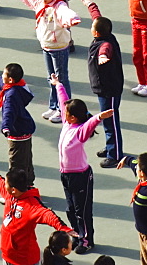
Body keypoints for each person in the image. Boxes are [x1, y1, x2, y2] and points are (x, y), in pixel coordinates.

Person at [52, 78, 111, 253]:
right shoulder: (67, 122)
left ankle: (87, 240)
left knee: (82, 212)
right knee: (71, 210)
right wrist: (58, 85)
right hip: (66, 175)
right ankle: (77, 235)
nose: (63, 112)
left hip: (81, 176)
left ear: (74, 117)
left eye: (66, 112)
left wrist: (99, 117)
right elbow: (64, 102)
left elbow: (89, 124)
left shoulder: (79, 132)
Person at [11, 0, 80, 124]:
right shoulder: (41, 2)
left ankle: (64, 109)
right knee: (52, 79)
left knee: (61, 80)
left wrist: (72, 19)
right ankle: (54, 105)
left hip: (58, 48)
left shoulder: (59, 6)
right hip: (46, 46)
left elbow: (66, 13)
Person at [81, 0, 124, 167]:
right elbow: (96, 17)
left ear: (96, 33)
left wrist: (103, 57)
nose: (91, 27)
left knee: (111, 121)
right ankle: (109, 146)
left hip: (110, 90)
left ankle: (115, 154)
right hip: (103, 89)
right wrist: (91, 5)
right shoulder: (103, 34)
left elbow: (105, 50)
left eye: (92, 27)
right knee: (106, 120)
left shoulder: (105, 45)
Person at [0, 63, 36, 183]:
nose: (1, 75)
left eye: (3, 74)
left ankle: (17, 189)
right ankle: (28, 183)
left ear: (10, 79)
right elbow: (0, 82)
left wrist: (5, 127)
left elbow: (8, 113)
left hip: (17, 134)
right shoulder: (19, 86)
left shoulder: (11, 96)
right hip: (25, 131)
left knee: (16, 163)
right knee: (26, 160)